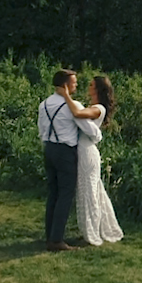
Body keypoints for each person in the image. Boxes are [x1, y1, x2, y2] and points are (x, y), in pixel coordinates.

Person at [38, 68, 101, 252]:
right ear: (65, 85)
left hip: (49, 148)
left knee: (53, 193)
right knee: (66, 194)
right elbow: (89, 130)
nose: (76, 85)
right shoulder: (73, 105)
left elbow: (42, 129)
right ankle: (57, 239)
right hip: (65, 151)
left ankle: (50, 235)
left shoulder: (44, 104)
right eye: (74, 82)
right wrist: (98, 136)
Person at [71, 75, 125, 246]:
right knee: (87, 191)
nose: (88, 87)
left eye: (91, 85)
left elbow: (79, 115)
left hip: (87, 152)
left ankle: (92, 231)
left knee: (90, 192)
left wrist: (66, 97)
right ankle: (89, 229)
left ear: (97, 89)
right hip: (83, 150)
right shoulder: (92, 107)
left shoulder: (98, 108)